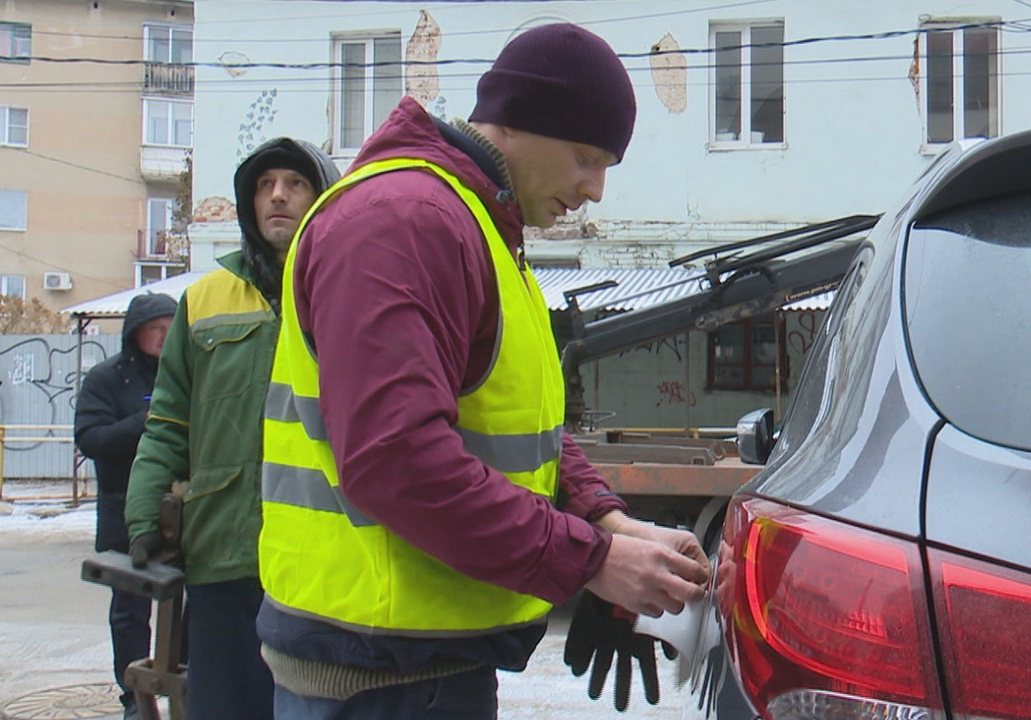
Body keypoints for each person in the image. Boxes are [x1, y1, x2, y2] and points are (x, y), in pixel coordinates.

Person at [258, 23, 709, 719]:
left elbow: (513, 424)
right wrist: (587, 561)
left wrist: (607, 523)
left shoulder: (477, 226)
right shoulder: (405, 221)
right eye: (586, 158)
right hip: (377, 678)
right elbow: (397, 459)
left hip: (418, 665)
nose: (594, 189)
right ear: (523, 123)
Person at [125, 137, 340, 720]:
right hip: (223, 549)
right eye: (266, 184)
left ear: (322, 199)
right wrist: (145, 517)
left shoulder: (345, 290)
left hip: (319, 555)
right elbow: (169, 418)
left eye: (295, 184)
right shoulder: (206, 298)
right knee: (224, 708)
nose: (278, 196)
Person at [75, 291, 176, 720]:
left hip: (181, 515)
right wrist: (142, 424)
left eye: (170, 328)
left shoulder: (184, 372)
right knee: (130, 612)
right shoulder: (107, 379)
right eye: (155, 328)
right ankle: (133, 695)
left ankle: (183, 679)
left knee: (188, 606)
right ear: (135, 333)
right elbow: (90, 440)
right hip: (121, 511)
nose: (163, 336)